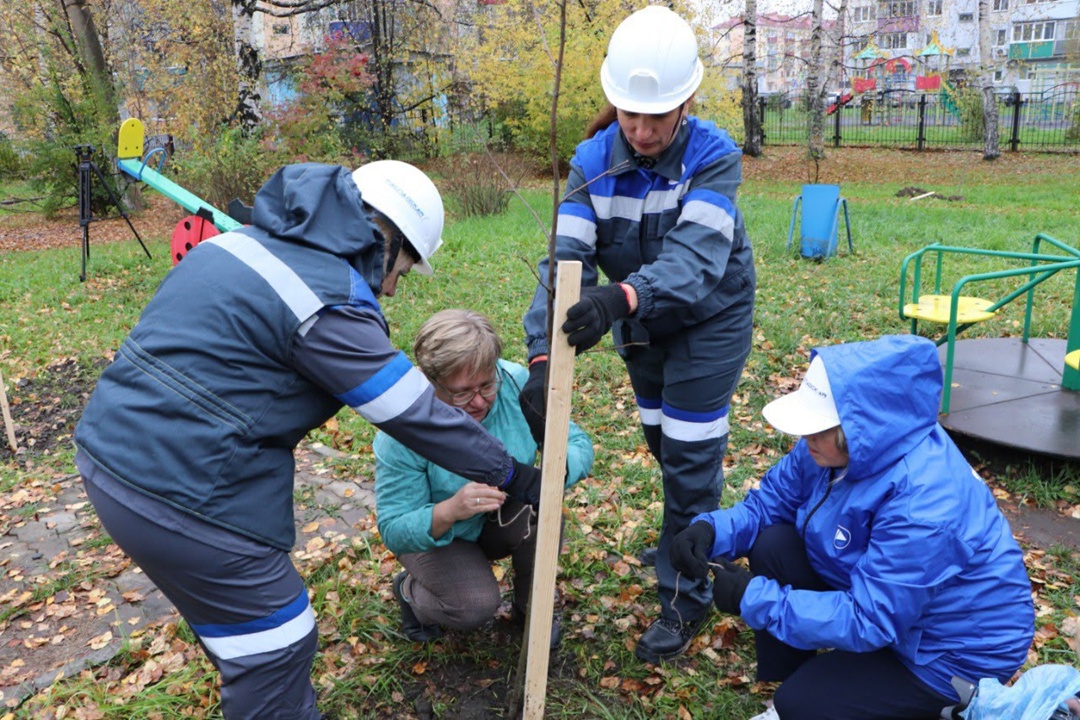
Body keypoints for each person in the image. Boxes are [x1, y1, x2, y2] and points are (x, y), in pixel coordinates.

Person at [72, 161, 544, 720]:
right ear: (383, 238)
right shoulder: (322, 299)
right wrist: (513, 474)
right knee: (276, 647)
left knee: (249, 642)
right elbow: (412, 411)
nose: (392, 287)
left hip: (111, 457)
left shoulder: (246, 244)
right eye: (404, 270)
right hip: (184, 485)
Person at [519, 5, 756, 663]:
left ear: (686, 102)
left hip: (710, 319)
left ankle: (684, 598)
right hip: (640, 323)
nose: (644, 130)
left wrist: (619, 297)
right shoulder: (591, 163)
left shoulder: (713, 158)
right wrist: (543, 354)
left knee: (687, 455)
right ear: (614, 102)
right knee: (661, 439)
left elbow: (697, 261)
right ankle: (697, 524)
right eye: (631, 115)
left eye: (658, 116)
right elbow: (564, 263)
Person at [670, 335, 1035, 720]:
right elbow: (770, 503)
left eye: (816, 428)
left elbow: (871, 618)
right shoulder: (833, 446)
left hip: (950, 650)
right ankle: (815, 681)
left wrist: (753, 598)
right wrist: (711, 530)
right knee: (773, 544)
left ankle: (850, 699)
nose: (804, 437)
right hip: (895, 606)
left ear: (858, 429)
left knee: (801, 703)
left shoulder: (924, 503)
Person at [374, 309, 594, 647]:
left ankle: (530, 607)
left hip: (497, 522)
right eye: (461, 393)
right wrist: (450, 509)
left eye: (486, 385)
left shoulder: (516, 383)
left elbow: (577, 443)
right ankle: (409, 591)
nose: (479, 401)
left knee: (541, 509)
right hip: (439, 537)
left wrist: (556, 472)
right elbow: (394, 530)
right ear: (431, 382)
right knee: (472, 607)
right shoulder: (403, 426)